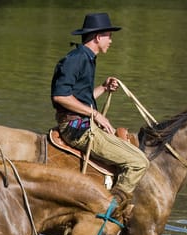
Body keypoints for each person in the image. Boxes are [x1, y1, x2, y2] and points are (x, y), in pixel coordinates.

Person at [51, 12, 149, 212]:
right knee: (139, 162)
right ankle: (110, 211)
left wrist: (103, 88)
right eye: (108, 36)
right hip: (77, 128)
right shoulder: (77, 59)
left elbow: (78, 98)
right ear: (97, 37)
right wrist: (95, 115)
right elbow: (60, 97)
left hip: (82, 123)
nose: (111, 41)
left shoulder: (86, 58)